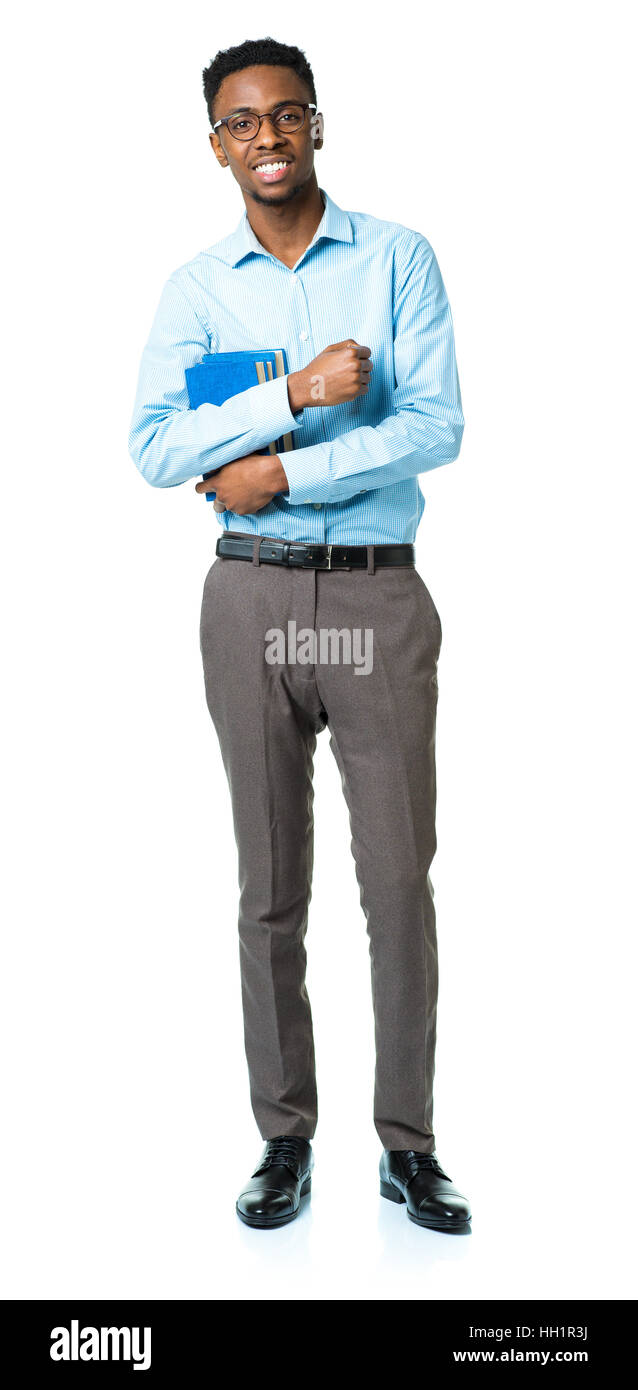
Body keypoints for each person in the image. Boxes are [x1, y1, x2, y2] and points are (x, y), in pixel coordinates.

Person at [128, 35, 472, 1234]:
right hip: (250, 604)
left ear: (317, 124)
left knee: (395, 881)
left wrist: (283, 473)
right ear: (215, 143)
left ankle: (406, 1144)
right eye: (239, 121)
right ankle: (284, 1138)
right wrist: (286, 399)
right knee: (268, 886)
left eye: (284, 115)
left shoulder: (395, 260)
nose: (264, 137)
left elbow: (434, 425)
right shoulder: (197, 288)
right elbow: (157, 451)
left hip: (375, 598)